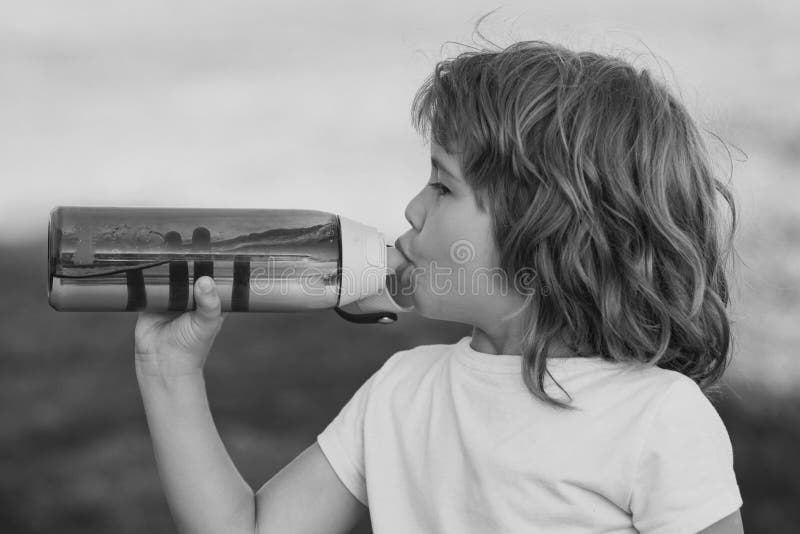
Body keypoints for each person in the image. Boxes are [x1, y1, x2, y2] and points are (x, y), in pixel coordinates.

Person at [134, 40, 744, 533]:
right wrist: (169, 371)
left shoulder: (654, 418)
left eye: (443, 187)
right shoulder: (403, 393)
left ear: (547, 232)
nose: (412, 207)